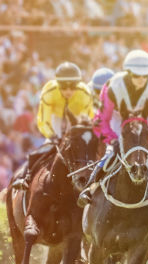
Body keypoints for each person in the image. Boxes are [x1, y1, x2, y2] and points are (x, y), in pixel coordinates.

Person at [77, 49, 148, 209]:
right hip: (117, 120)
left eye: (144, 76)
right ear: (128, 72)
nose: (141, 79)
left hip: (142, 123)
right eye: (136, 75)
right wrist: (112, 139)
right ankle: (89, 189)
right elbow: (102, 119)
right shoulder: (112, 86)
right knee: (110, 152)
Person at [11, 62, 94, 190]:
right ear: (57, 84)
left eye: (72, 87)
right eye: (64, 87)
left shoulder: (84, 93)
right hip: (55, 118)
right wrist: (52, 136)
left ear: (78, 85)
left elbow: (88, 120)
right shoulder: (49, 91)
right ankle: (26, 176)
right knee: (47, 146)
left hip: (76, 119)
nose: (68, 91)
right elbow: (43, 120)